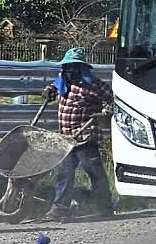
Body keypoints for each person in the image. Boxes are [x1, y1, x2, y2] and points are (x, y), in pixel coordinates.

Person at [46, 47, 115, 222]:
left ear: (82, 68)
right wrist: (49, 91)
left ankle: (105, 207)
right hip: (66, 137)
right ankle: (60, 208)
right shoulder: (62, 81)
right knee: (64, 173)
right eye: (67, 67)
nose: (70, 71)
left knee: (94, 172)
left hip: (85, 135)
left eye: (74, 67)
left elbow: (113, 99)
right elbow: (53, 89)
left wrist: (106, 110)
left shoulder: (93, 84)